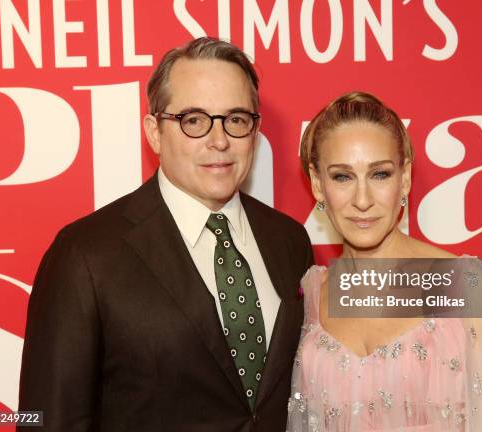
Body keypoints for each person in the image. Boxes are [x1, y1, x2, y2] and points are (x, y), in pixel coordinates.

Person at [18, 37, 313, 431]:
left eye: (236, 119)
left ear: (255, 131)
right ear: (155, 132)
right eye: (193, 120)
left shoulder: (290, 241)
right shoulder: (84, 254)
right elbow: (46, 421)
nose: (219, 139)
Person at [287, 92, 482, 431]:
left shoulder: (465, 285)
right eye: (342, 177)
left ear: (404, 178)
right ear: (318, 183)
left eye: (380, 175)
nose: (362, 200)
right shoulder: (313, 290)